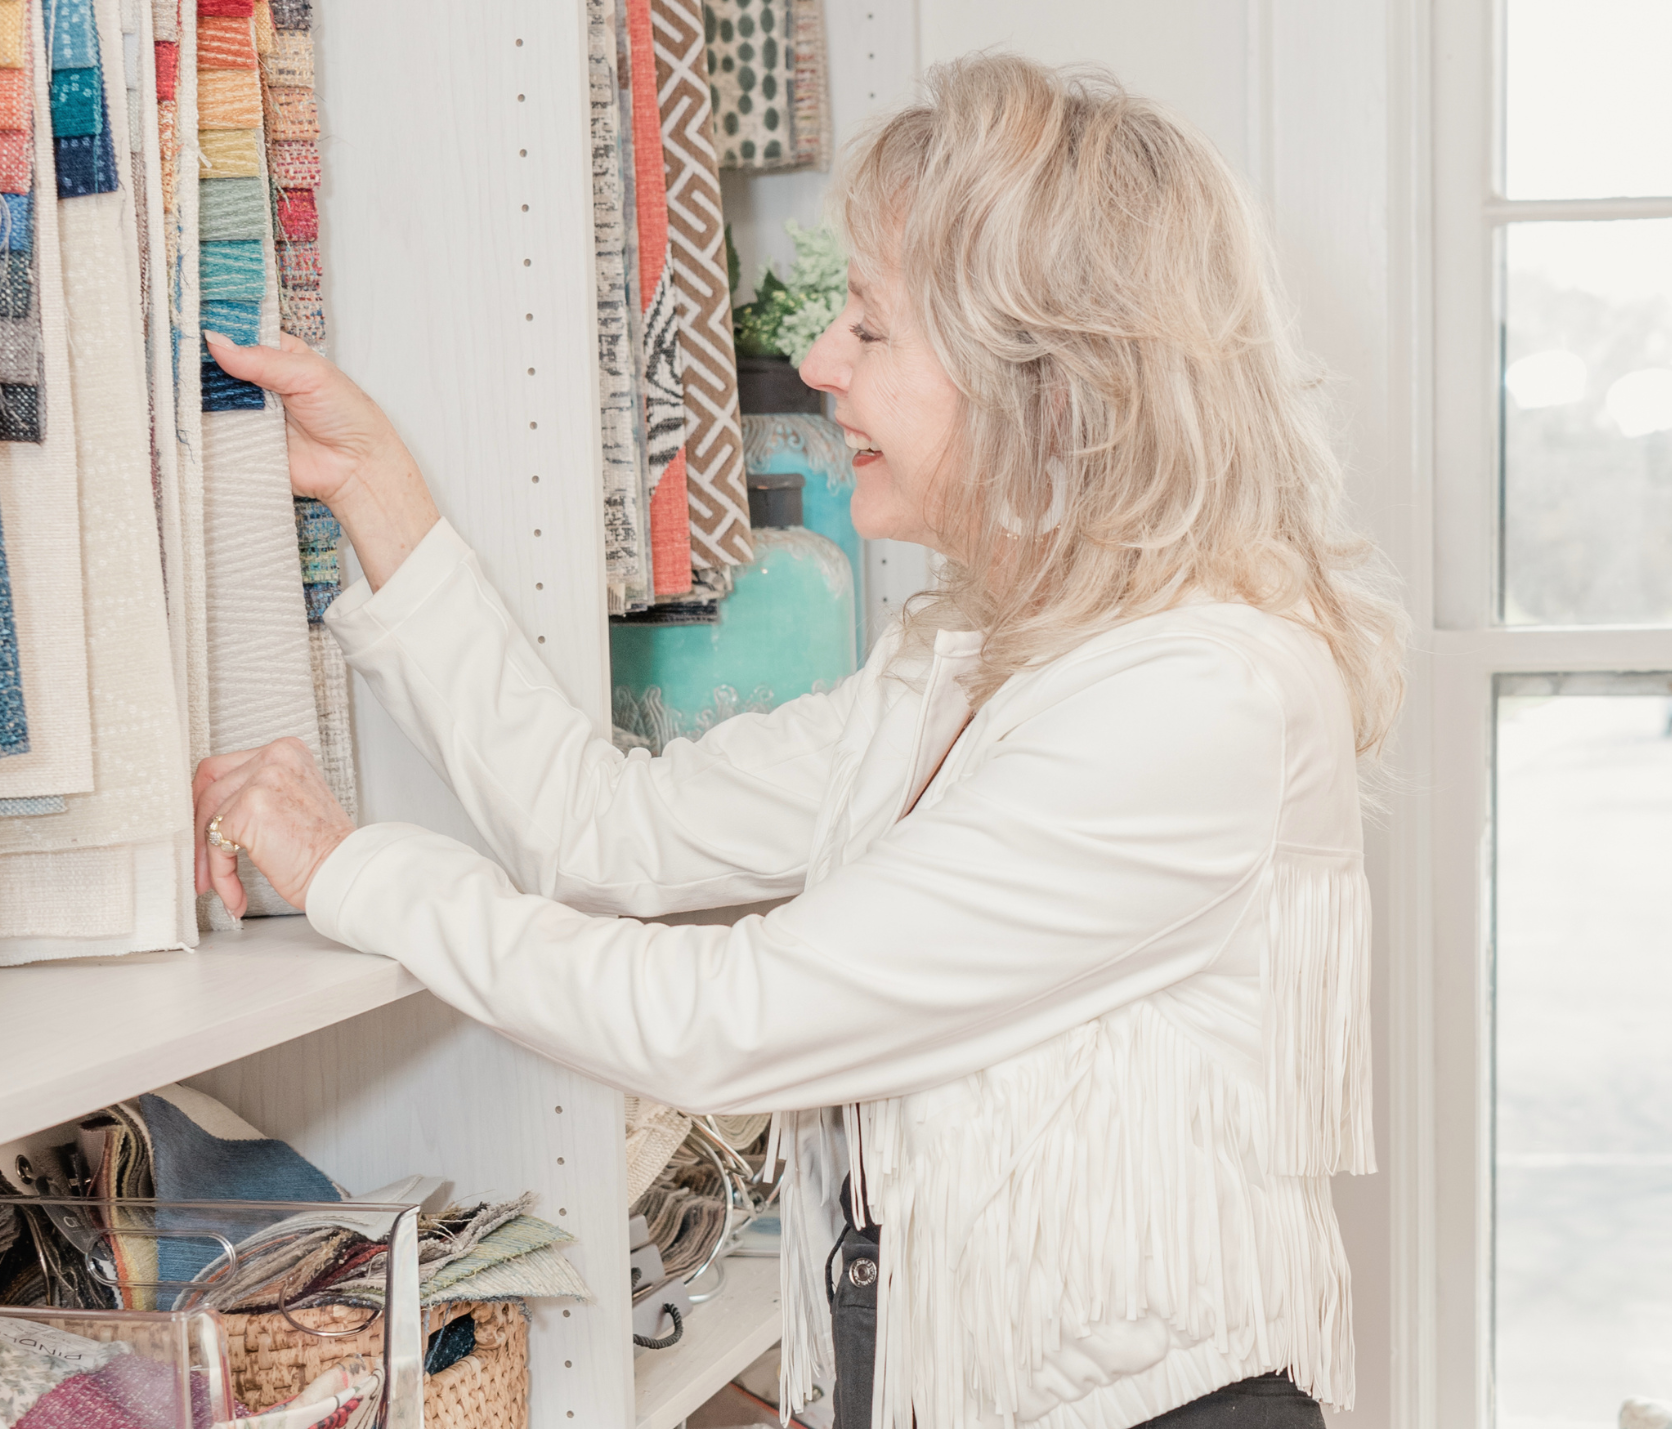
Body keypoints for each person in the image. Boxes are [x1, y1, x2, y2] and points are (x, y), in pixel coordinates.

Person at [196, 53, 1405, 1429]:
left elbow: (730, 1023)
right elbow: (604, 829)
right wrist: (373, 487)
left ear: (1051, 384)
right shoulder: (969, 664)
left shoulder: (1193, 704)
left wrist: (355, 867)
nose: (820, 359)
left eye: (873, 328)